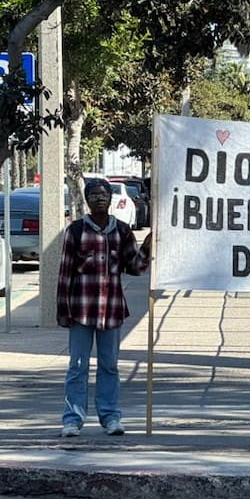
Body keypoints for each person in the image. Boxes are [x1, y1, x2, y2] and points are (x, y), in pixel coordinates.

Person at [57, 178, 149, 437]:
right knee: (77, 365)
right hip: (80, 310)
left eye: (104, 194)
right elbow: (64, 274)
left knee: (109, 365)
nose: (99, 199)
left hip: (111, 310)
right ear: (87, 200)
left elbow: (135, 267)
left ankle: (110, 417)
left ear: (110, 199)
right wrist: (62, 311)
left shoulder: (121, 231)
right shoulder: (75, 231)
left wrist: (149, 247)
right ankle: (72, 419)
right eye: (94, 195)